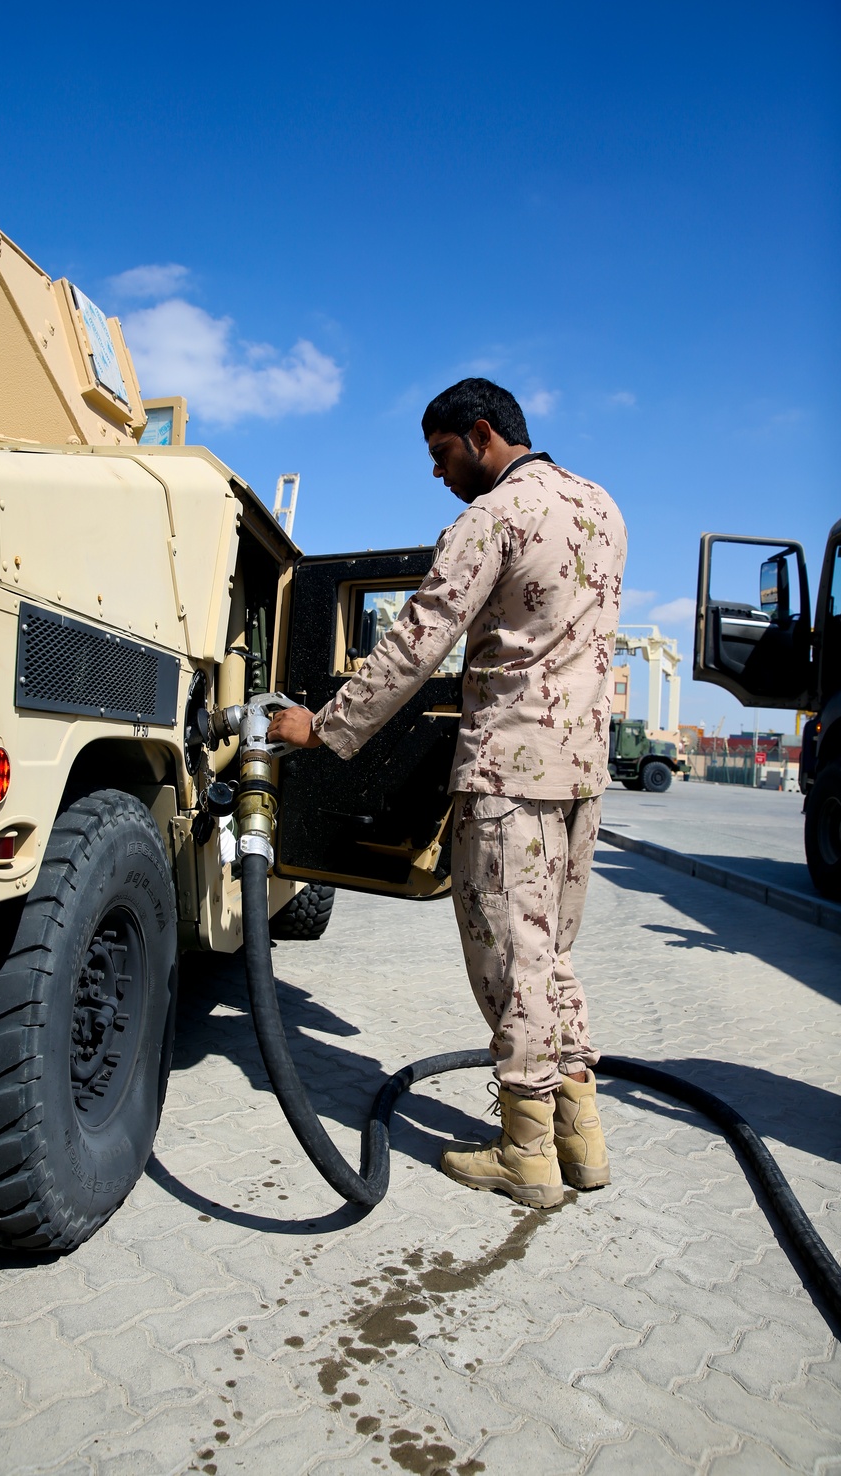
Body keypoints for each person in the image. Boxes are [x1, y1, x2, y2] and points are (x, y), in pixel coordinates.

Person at [267, 378, 627, 1209]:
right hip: (581, 774)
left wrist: (320, 728)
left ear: (480, 434)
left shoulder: (490, 518)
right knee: (553, 951)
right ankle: (582, 1133)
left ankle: (527, 1153)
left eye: (441, 456)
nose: (438, 474)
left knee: (511, 957)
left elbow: (415, 644)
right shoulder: (602, 507)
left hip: (509, 774)